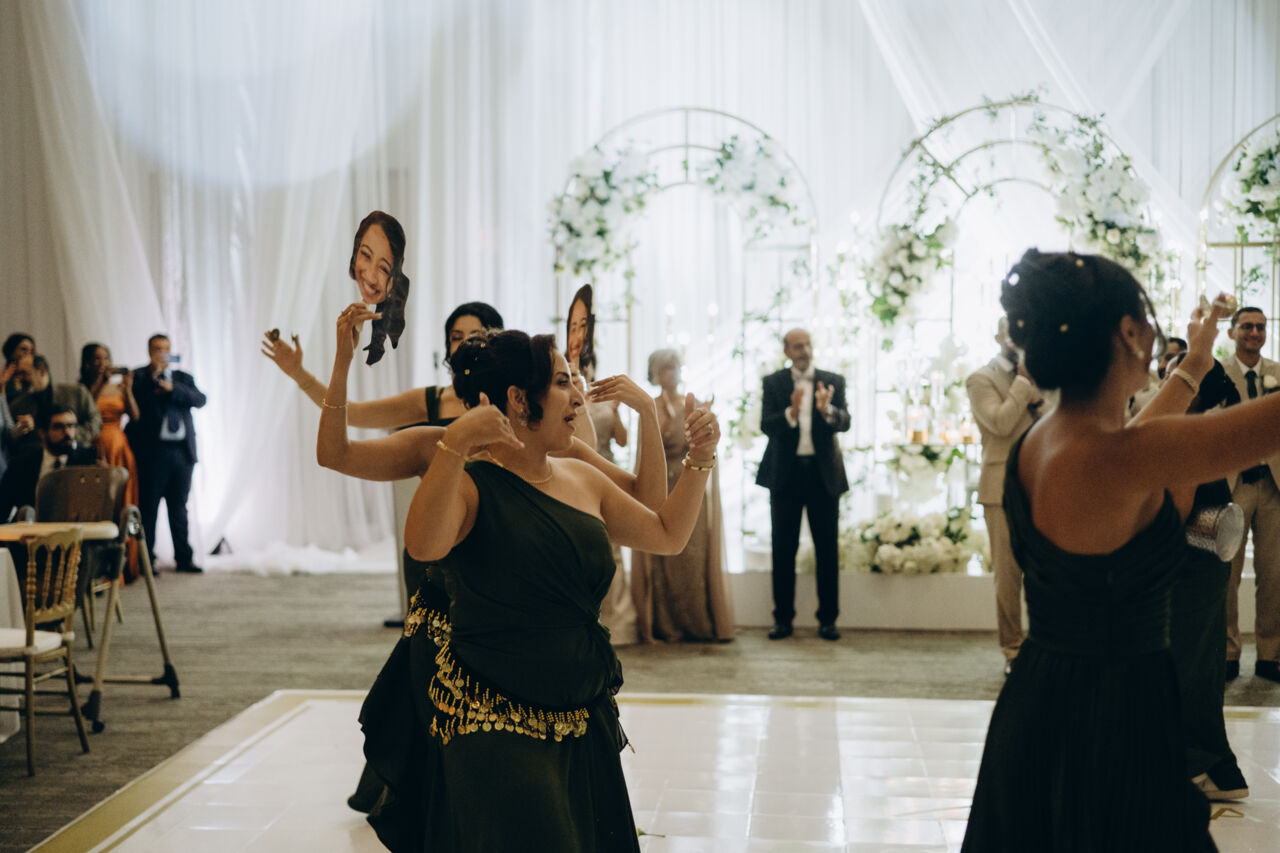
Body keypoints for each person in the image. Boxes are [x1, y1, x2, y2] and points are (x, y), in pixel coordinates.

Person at [961, 249, 1280, 851]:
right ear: (1130, 334)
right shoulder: (1115, 457)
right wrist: (1194, 365)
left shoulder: (1050, 438)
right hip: (1110, 715)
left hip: (1044, 697)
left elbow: (1134, 437)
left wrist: (1196, 362)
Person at [356, 325, 718, 851]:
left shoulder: (582, 479)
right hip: (496, 728)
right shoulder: (472, 485)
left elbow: (666, 535)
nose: (579, 398)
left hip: (581, 722)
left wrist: (701, 457)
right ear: (520, 399)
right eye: (562, 384)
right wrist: (456, 442)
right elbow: (424, 545)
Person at [312, 303, 669, 818]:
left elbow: (648, 505)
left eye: (478, 337)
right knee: (443, 781)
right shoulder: (435, 442)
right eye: (457, 338)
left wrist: (646, 415)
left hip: (525, 639)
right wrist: (342, 362)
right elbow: (336, 453)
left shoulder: (554, 447)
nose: (467, 346)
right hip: (443, 632)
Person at [1155, 353, 1250, 801]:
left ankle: (1195, 765)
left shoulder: (1183, 437)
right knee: (1202, 664)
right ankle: (1218, 769)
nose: (1165, 379)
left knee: (1185, 665)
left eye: (1175, 374)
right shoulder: (1201, 432)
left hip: (1187, 564)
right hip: (1207, 561)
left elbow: (1175, 512)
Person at [630, 349, 734, 642]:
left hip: (690, 484)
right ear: (655, 373)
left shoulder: (696, 404)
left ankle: (699, 622)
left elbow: (705, 446)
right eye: (665, 368)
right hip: (659, 487)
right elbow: (644, 452)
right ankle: (666, 626)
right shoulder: (649, 407)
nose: (671, 373)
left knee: (693, 553)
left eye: (675, 367)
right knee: (661, 556)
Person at [756, 328, 851, 640]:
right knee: (783, 549)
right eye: (797, 346)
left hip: (823, 475)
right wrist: (791, 413)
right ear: (787, 351)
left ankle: (828, 620)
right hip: (786, 475)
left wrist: (827, 410)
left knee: (827, 550)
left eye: (808, 344)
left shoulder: (833, 380)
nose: (804, 350)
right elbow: (765, 425)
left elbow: (846, 422)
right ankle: (783, 620)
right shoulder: (774, 382)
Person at [965, 318, 1043, 673]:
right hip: (1000, 485)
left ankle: (1045, 644)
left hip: (1044, 482)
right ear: (999, 337)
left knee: (1045, 570)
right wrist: (1024, 385)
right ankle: (1012, 649)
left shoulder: (1046, 374)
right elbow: (1000, 422)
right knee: (1008, 575)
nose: (1019, 338)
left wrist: (1039, 396)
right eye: (1012, 331)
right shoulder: (981, 379)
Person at [1222, 306, 1280, 683]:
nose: (1254, 332)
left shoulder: (1278, 372)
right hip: (1233, 484)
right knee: (1226, 574)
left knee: (1274, 573)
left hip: (1274, 485)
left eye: (1260, 327)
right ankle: (1228, 653)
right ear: (1232, 332)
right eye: (1247, 326)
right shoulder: (1218, 374)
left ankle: (1270, 654)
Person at [126, 334, 207, 574]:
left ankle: (184, 558)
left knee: (179, 507)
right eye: (157, 348)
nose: (162, 352)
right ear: (149, 351)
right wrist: (153, 378)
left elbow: (200, 399)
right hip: (153, 452)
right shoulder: (139, 377)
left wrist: (173, 389)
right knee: (149, 508)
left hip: (181, 453)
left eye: (166, 348)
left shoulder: (182, 378)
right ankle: (146, 561)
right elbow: (134, 408)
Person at [583, 353, 639, 646]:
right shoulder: (566, 398)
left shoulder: (606, 401)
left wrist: (616, 411)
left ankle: (619, 623)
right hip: (576, 471)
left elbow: (623, 440)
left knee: (612, 545)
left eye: (587, 362)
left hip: (607, 471)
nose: (583, 368)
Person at [80, 343, 142, 582]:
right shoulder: (84, 388)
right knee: (100, 504)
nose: (102, 363)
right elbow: (87, 412)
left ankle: (126, 564)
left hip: (119, 447)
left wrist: (128, 390)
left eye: (106, 358)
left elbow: (135, 416)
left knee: (124, 502)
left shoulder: (118, 387)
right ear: (88, 363)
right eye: (97, 358)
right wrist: (99, 383)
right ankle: (99, 565)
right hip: (96, 448)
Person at [0, 405, 99, 522]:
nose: (68, 432)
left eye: (71, 426)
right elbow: (3, 507)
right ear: (42, 433)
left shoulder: (88, 460)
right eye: (58, 427)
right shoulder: (22, 464)